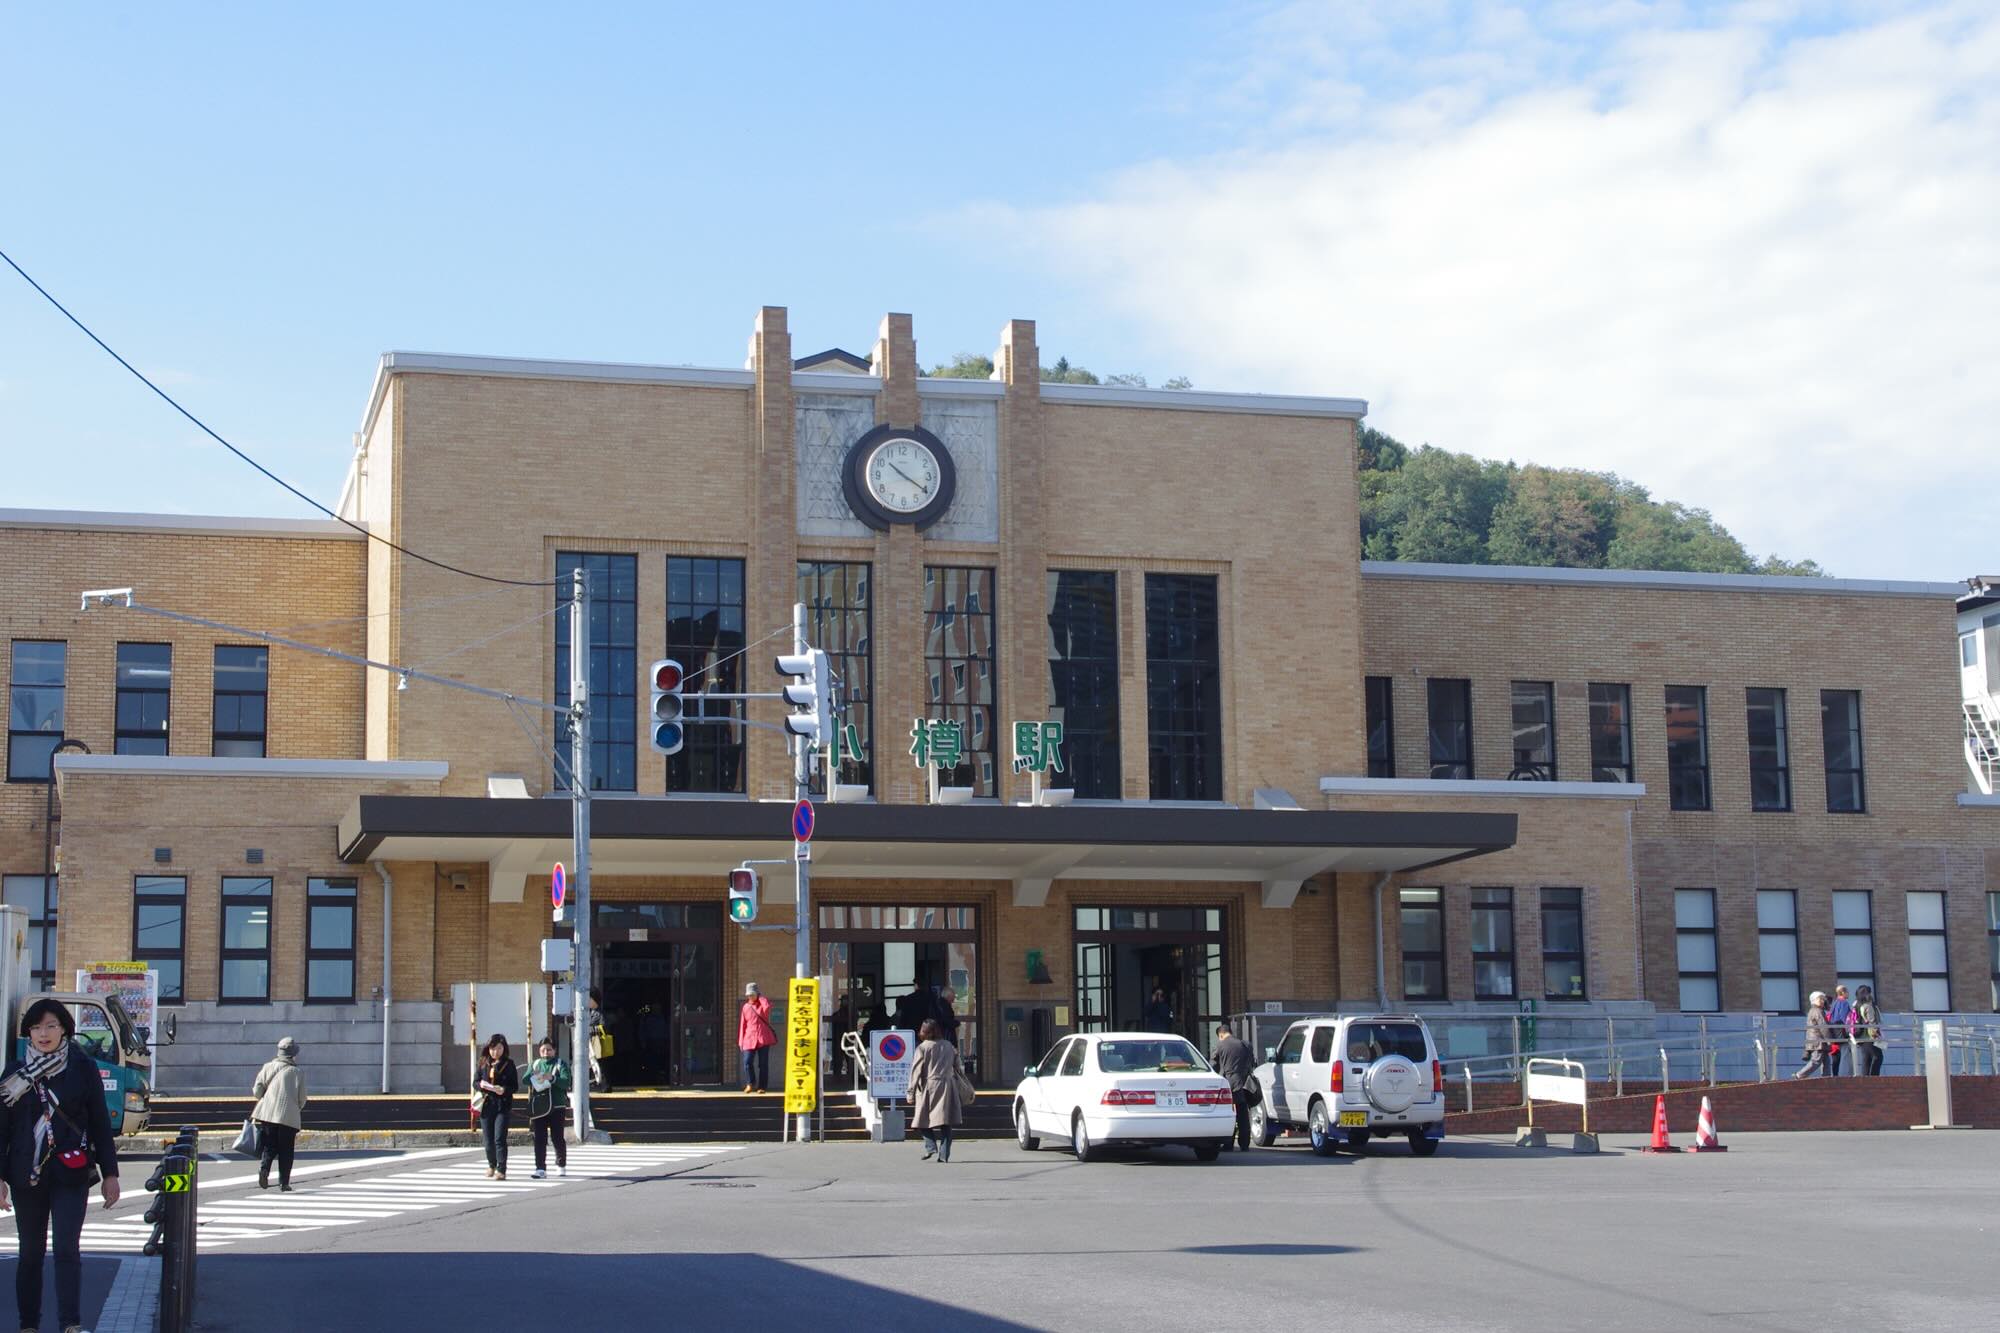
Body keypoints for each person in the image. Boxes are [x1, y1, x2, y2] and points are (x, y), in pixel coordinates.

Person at [0, 997, 121, 1333]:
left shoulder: (82, 1068)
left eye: (51, 1026)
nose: (44, 1033)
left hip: (70, 1172)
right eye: (36, 1027)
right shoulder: (14, 1074)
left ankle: (70, 1323)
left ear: (64, 1029)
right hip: (26, 1174)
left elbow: (99, 1123)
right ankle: (28, 1324)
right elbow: (2, 1129)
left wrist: (110, 1173)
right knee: (30, 1253)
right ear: (28, 1032)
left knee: (67, 1248)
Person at [251, 1036, 308, 1191]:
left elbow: (257, 1091)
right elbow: (302, 1098)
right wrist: (294, 1109)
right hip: (288, 1116)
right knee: (286, 1149)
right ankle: (284, 1183)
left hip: (268, 1114)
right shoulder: (297, 1072)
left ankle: (264, 1169)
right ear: (293, 1054)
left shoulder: (267, 1067)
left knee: (269, 1146)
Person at [908, 1018, 968, 1163]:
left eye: (923, 1030)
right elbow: (958, 1067)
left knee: (921, 1120)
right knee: (945, 1122)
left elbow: (915, 1071)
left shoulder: (922, 1048)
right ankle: (944, 1155)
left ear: (928, 1032)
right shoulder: (949, 1046)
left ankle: (931, 1147)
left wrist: (910, 1092)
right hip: (948, 1086)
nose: (920, 1032)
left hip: (929, 1087)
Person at [525, 1036, 571, 1179]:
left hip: (557, 1106)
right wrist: (534, 1075)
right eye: (543, 1050)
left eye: (549, 1050)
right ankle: (540, 1168)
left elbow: (566, 1082)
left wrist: (552, 1078)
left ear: (554, 1050)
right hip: (540, 1107)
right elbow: (525, 1080)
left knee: (557, 1137)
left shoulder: (560, 1064)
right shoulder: (535, 1064)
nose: (546, 1052)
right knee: (539, 1138)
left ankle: (561, 1164)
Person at [475, 1033, 519, 1179]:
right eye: (493, 1048)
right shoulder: (483, 1062)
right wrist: (481, 1086)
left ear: (504, 1048)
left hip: (502, 1105)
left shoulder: (509, 1064)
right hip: (487, 1104)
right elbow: (475, 1082)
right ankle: (491, 1165)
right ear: (488, 1048)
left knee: (499, 1138)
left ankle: (501, 1169)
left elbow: (514, 1086)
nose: (496, 1052)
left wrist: (504, 1089)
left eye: (499, 1048)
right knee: (488, 1139)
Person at [1210, 1023, 1256, 1151]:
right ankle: (1245, 1144)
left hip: (1227, 1084)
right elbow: (1252, 1062)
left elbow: (1212, 1065)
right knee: (1243, 1115)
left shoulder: (1220, 1045)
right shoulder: (1245, 1045)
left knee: (1228, 1114)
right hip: (1243, 1083)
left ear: (1221, 1035)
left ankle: (1228, 1144)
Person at [739, 983, 776, 1093]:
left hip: (763, 1038)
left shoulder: (763, 1005)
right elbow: (742, 1025)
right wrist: (741, 1041)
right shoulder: (745, 1007)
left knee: (763, 1064)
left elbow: (767, 1007)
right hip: (749, 1038)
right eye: (749, 995)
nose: (750, 996)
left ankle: (762, 1087)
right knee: (747, 1061)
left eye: (752, 994)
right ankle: (750, 1083)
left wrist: (761, 997)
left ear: (757, 994)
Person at [1792, 991, 1831, 1079]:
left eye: (1823, 999)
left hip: (1818, 1040)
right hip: (1818, 1041)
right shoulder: (1817, 1011)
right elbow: (1823, 1026)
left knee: (1826, 1061)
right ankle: (1799, 1075)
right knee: (1817, 1060)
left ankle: (1827, 1078)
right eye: (1820, 999)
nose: (1822, 1001)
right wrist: (1829, 1039)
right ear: (1814, 1000)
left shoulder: (1815, 1010)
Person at [1852, 985, 1885, 1076]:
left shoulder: (1856, 1005)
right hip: (1869, 1036)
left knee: (1866, 1059)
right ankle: (1874, 1079)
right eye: (1869, 993)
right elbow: (1872, 1021)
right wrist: (1877, 1034)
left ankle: (1865, 1080)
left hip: (1859, 1035)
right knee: (1877, 1057)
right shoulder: (1868, 1006)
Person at [1826, 985, 1853, 1076]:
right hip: (1841, 1031)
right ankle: (1844, 1075)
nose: (1848, 994)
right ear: (1843, 992)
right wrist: (1849, 1030)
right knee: (1845, 1053)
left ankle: (1837, 1075)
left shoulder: (1835, 1003)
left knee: (1836, 1056)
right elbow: (1844, 1018)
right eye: (1847, 992)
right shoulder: (1844, 1003)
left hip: (1833, 1031)